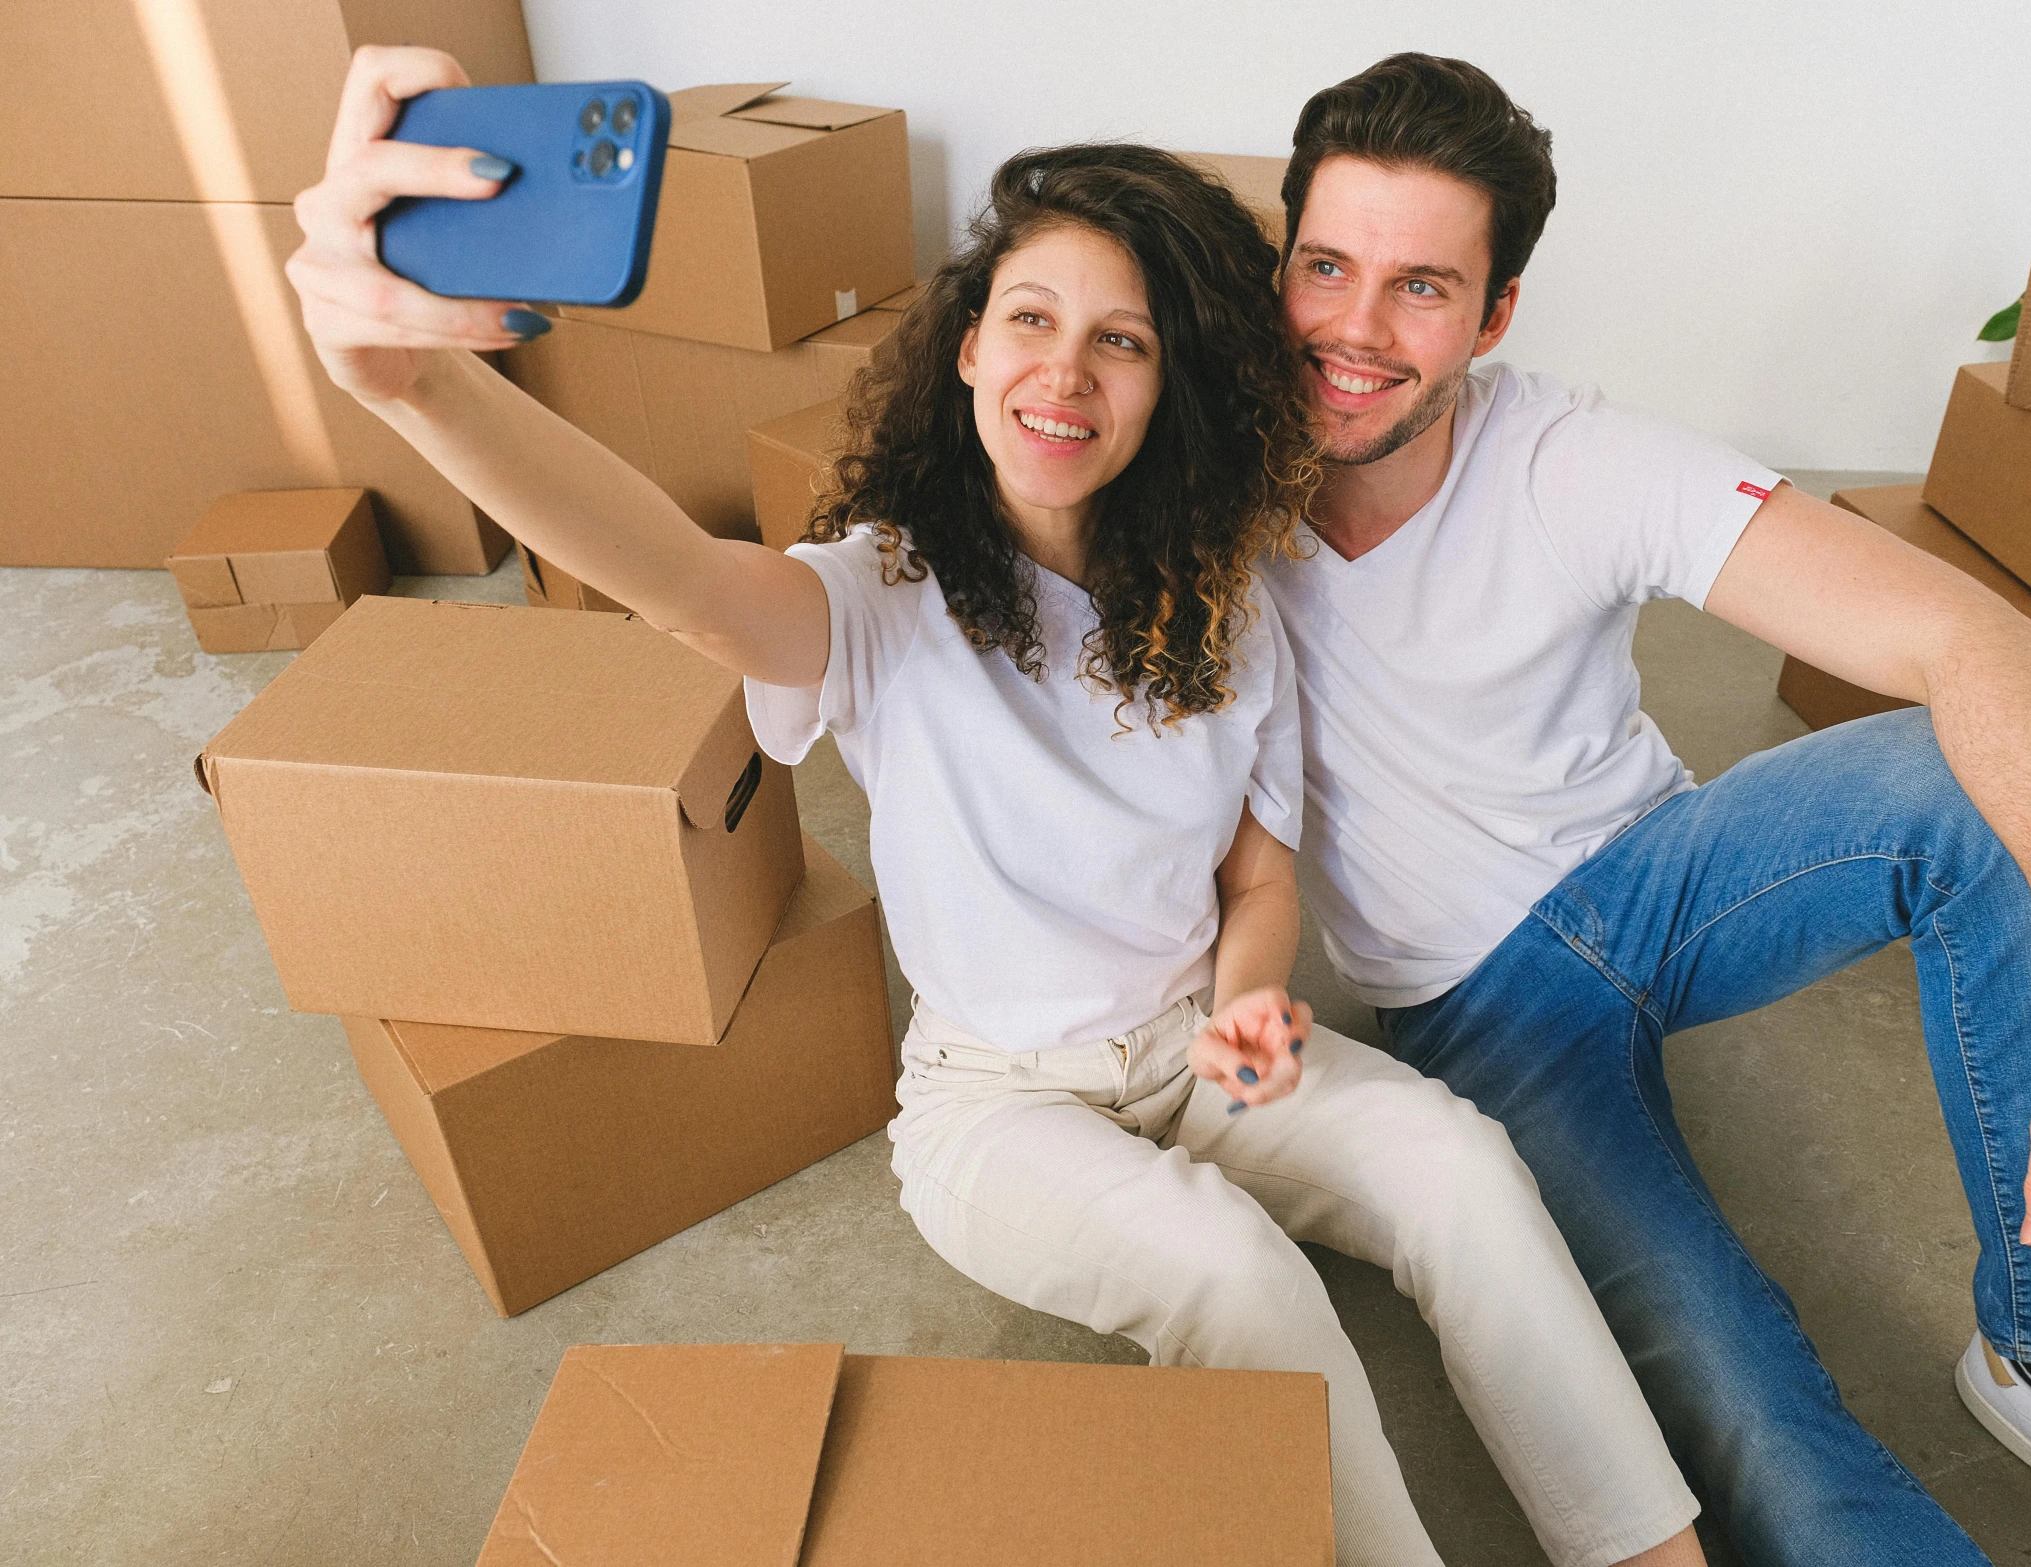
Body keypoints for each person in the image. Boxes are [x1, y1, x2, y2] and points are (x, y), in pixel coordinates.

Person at [288, 46, 1713, 1567]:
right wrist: (418, 384)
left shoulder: (1225, 601)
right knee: (1240, 1279)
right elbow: (686, 584)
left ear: (1171, 389)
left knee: (1466, 1173)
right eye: (1029, 320)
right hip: (999, 1107)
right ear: (966, 348)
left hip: (1191, 1048)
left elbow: (1259, 876)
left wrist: (1247, 1009)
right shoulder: (882, 593)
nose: (1065, 372)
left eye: (1123, 342)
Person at [1254, 51, 2031, 1567]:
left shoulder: (1571, 460)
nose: (1354, 327)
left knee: (1959, 769)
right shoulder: (1194, 473)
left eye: (1420, 286)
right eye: (1325, 265)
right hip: (1473, 1006)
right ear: (1278, 261)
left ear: (1495, 313)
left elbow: (1986, 647)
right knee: (1748, 1423)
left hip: (1662, 872)